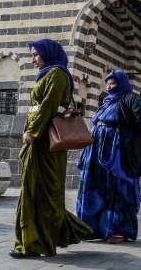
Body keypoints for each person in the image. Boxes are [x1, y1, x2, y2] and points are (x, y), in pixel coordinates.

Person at [11, 38, 92, 258]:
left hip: (46, 141)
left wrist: (33, 131)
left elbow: (48, 105)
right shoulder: (49, 73)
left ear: (48, 53)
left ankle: (38, 243)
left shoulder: (56, 74)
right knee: (34, 189)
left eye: (36, 54)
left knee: (43, 191)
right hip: (40, 140)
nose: (33, 59)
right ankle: (38, 239)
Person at [76, 69, 141, 244]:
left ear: (122, 84)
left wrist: (134, 133)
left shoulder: (129, 98)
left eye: (113, 84)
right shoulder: (106, 102)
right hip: (96, 150)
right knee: (95, 185)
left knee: (117, 187)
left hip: (115, 152)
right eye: (108, 84)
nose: (110, 87)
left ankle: (119, 230)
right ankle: (93, 228)